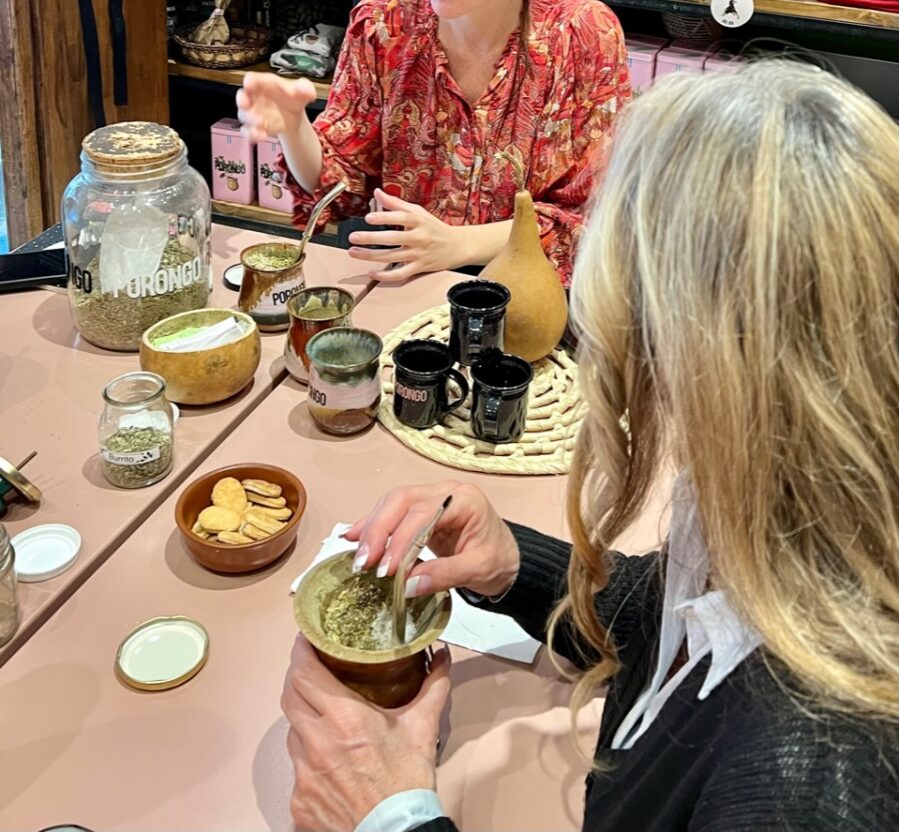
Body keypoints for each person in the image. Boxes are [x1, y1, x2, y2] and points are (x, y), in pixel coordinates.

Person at [281, 60, 899, 832]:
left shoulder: (808, 791)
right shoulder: (801, 510)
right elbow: (689, 624)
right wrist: (516, 567)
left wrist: (389, 817)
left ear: (694, 356)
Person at [236, 0, 630, 285]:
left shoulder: (580, 34)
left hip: (532, 297)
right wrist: (293, 128)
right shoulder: (385, 21)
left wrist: (456, 244)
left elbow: (595, 220)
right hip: (405, 285)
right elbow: (339, 191)